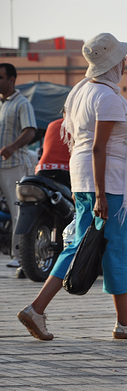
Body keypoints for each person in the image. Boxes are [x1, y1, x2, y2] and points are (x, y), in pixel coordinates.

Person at [16, 33, 127, 340]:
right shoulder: (106, 97)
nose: (125, 62)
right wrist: (100, 195)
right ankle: (124, 323)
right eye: (122, 58)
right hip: (107, 183)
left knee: (80, 244)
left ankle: (38, 309)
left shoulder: (80, 91)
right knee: (118, 250)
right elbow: (99, 148)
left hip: (85, 178)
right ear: (112, 63)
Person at [0, 63, 37, 267]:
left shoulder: (22, 103)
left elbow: (30, 131)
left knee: (18, 211)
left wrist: (12, 147)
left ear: (12, 79)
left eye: (0, 77)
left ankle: (19, 257)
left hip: (14, 165)